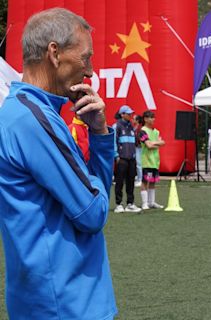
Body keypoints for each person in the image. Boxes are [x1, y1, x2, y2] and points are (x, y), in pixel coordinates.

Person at [0, 8, 117, 320]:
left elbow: (94, 198)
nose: (90, 70)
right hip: (65, 304)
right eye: (85, 57)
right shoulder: (34, 120)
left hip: (55, 300)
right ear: (54, 53)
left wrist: (100, 134)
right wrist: (102, 141)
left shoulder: (34, 114)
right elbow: (93, 213)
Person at [114, 105, 141, 213]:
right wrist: (116, 156)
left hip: (131, 158)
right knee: (120, 182)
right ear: (122, 114)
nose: (131, 115)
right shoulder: (117, 126)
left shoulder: (131, 126)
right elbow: (114, 142)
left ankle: (130, 203)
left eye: (131, 113)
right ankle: (118, 204)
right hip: (122, 158)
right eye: (128, 114)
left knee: (131, 181)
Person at [139, 110, 165, 210]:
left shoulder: (156, 131)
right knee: (145, 181)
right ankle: (144, 203)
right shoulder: (143, 131)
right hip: (147, 161)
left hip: (155, 161)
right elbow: (148, 145)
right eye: (151, 117)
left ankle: (152, 202)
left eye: (153, 117)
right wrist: (157, 143)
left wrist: (154, 143)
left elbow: (163, 142)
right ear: (145, 119)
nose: (153, 119)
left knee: (153, 181)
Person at [133, 114, 143, 187]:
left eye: (134, 119)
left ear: (137, 120)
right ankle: (139, 177)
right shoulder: (135, 128)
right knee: (138, 164)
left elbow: (141, 139)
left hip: (140, 148)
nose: (132, 120)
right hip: (136, 147)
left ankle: (141, 180)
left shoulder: (141, 128)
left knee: (139, 164)